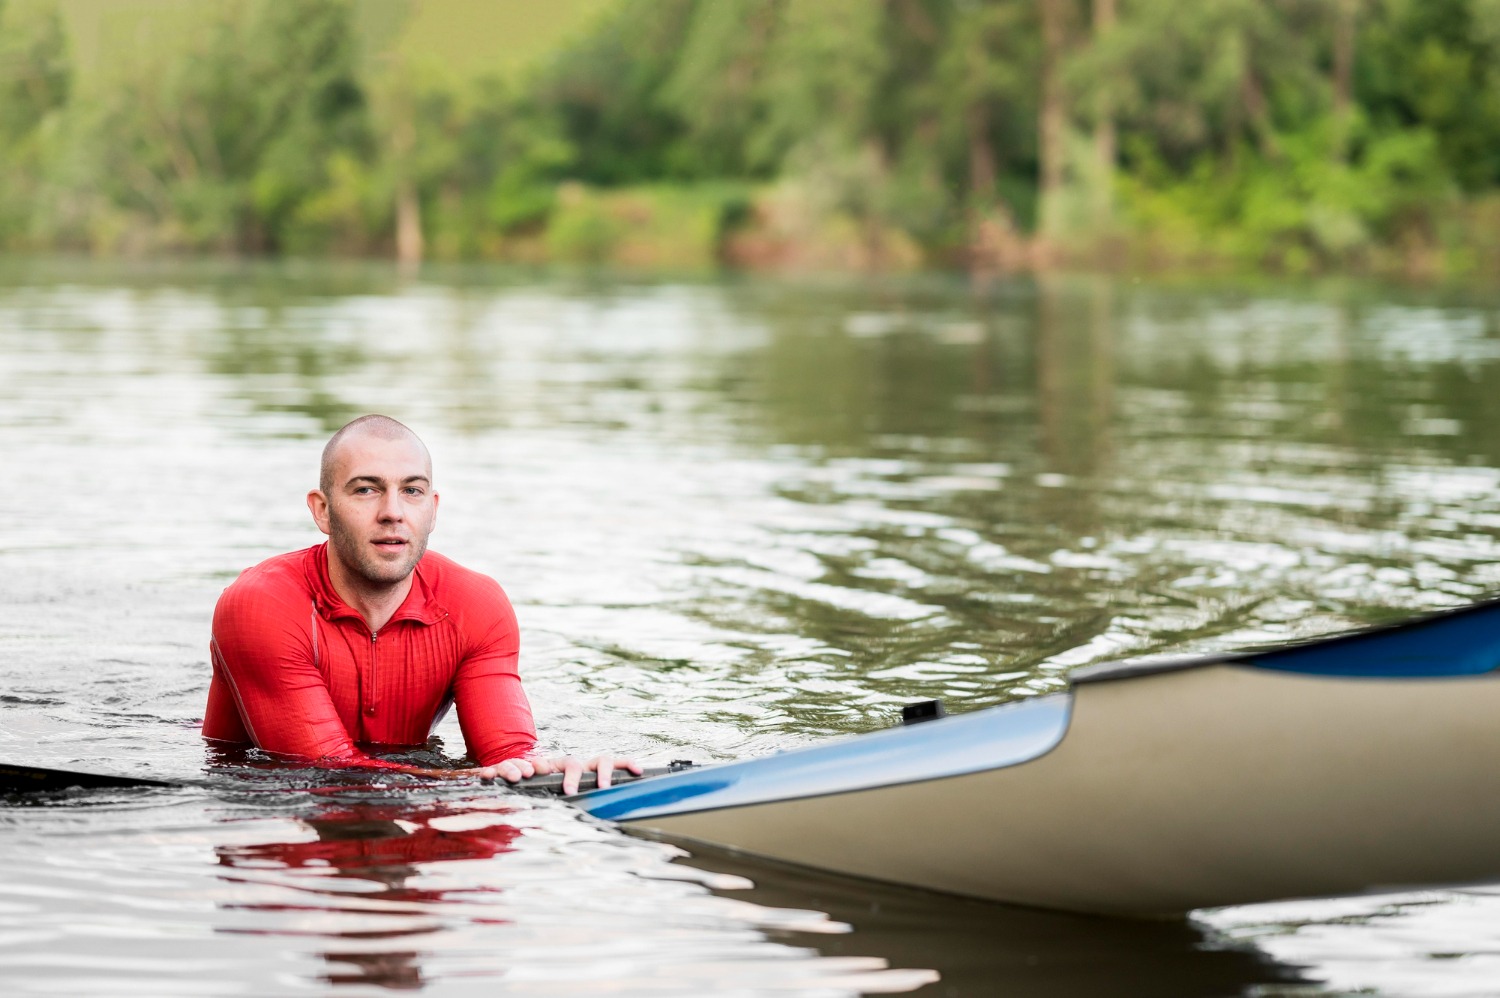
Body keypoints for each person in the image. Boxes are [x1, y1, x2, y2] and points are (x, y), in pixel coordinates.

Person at [202, 414, 639, 794]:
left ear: (432, 509)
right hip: (266, 809)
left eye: (411, 491)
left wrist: (557, 773)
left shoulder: (476, 607)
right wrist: (473, 781)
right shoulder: (261, 606)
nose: (393, 512)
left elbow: (509, 753)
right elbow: (325, 776)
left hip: (397, 786)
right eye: (366, 490)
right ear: (322, 510)